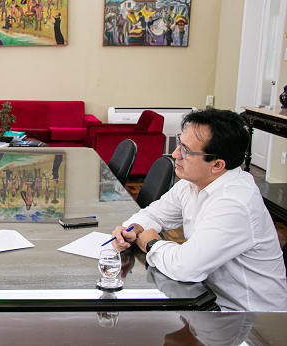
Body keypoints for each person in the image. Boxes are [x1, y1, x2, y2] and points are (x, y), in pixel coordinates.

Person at [109, 108, 287, 311]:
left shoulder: (235, 202)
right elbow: (155, 213)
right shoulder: (193, 181)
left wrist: (151, 244)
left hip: (250, 321)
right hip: (208, 299)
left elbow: (185, 267)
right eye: (179, 143)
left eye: (186, 150)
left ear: (217, 165)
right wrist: (132, 228)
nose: (175, 154)